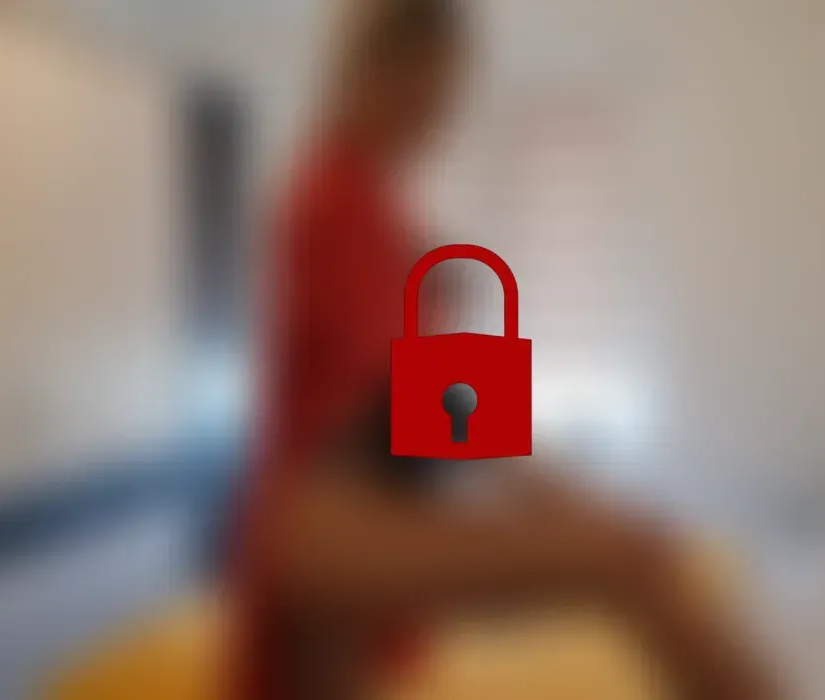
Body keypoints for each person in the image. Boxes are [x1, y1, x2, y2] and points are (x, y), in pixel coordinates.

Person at [228, 1, 779, 698]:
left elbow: (451, 403)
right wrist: (573, 505)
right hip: (324, 520)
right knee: (628, 561)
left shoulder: (378, 210)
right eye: (439, 89)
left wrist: (568, 495)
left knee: (621, 552)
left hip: (351, 515)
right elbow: (432, 406)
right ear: (390, 70)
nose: (442, 116)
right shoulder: (333, 195)